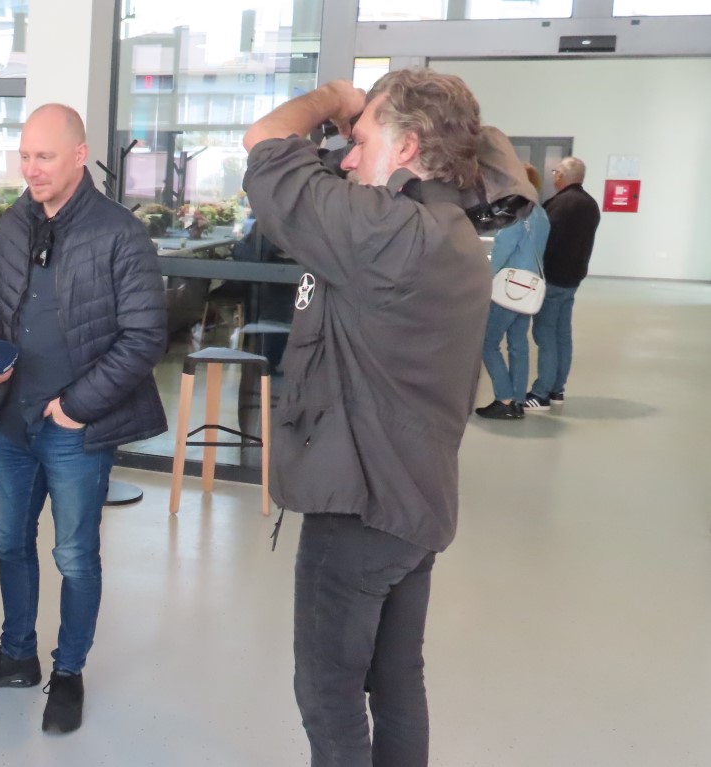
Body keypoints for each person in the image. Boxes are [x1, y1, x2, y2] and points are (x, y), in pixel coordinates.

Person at [241, 69, 491, 766]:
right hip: (417, 503)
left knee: (329, 695)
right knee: (397, 680)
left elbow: (264, 141)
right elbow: (484, 151)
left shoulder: (384, 234)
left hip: (360, 508)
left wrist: (335, 98)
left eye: (362, 141)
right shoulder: (453, 230)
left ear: (407, 146)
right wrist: (369, 117)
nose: (348, 159)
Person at [0, 104, 168, 736]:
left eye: (43, 156)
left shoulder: (120, 232)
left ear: (78, 156)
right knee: (8, 540)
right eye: (24, 156)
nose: (31, 169)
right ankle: (18, 656)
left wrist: (75, 407)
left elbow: (144, 337)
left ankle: (68, 672)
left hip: (76, 428)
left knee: (74, 555)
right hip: (12, 420)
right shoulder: (16, 222)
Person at [524, 156, 601, 412]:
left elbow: (545, 241)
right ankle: (557, 389)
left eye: (555, 172)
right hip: (572, 278)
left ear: (561, 176)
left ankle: (541, 394)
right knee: (561, 335)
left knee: (545, 335)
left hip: (553, 278)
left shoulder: (559, 204)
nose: (553, 176)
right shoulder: (590, 204)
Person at [477, 164, 549, 420]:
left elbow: (502, 250)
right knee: (518, 344)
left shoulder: (516, 212)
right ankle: (518, 401)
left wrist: (485, 277)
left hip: (509, 288)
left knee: (488, 342)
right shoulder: (540, 213)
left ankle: (504, 398)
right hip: (529, 288)